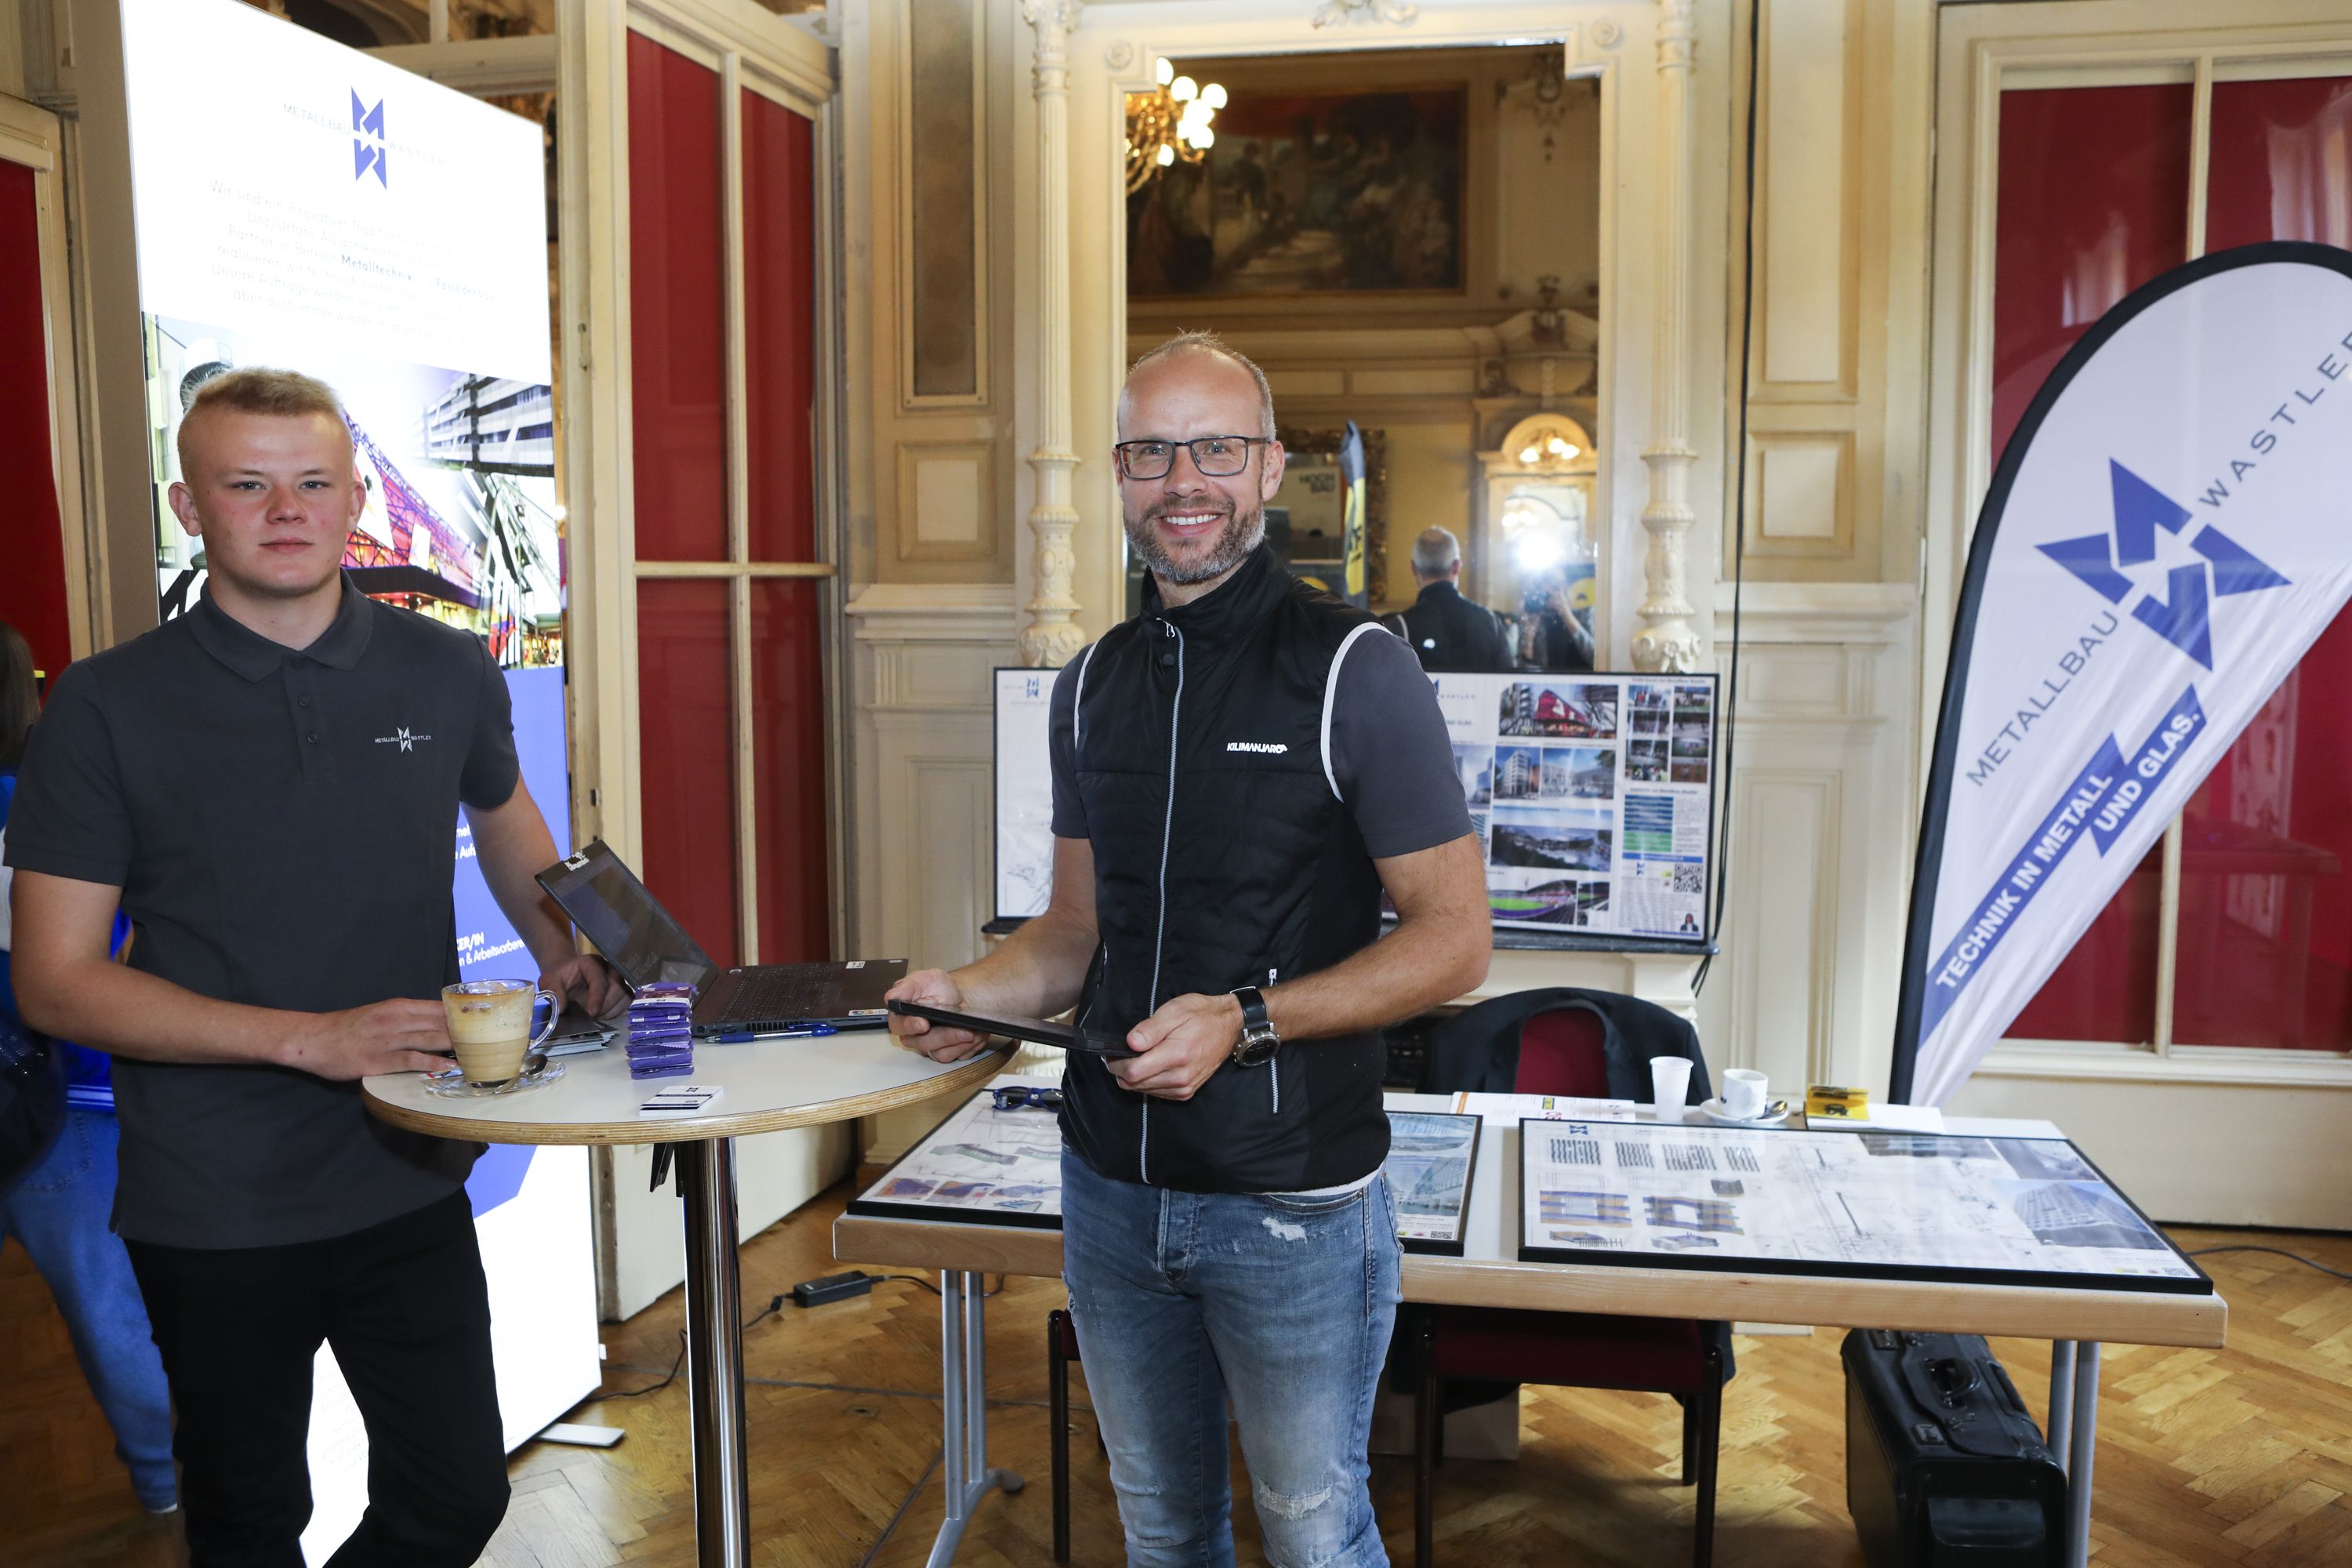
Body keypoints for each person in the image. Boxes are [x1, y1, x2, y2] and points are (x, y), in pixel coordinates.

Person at [888, 332, 1490, 1568]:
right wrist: (968, 992)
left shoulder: (1356, 667)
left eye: (1215, 449)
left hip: (1292, 1204)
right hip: (1110, 1194)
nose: (1183, 482)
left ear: (1269, 468)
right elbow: (1072, 935)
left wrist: (1247, 1019)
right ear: (1118, 474)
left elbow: (1454, 943)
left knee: (1314, 1535)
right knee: (1163, 1531)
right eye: (1152, 453)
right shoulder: (1090, 684)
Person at [5, 369, 619, 1567]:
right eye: (248, 485)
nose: (287, 511)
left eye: (314, 483)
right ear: (190, 506)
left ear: (355, 500)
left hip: (408, 1158)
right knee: (249, 1526)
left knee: (456, 1497)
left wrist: (563, 947)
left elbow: (505, 815)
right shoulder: (106, 705)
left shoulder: (444, 669)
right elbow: (56, 981)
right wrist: (308, 1038)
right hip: (213, 1194)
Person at [0, 621, 179, 1518]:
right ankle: (167, 1481)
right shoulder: (41, 803)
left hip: (47, 1094)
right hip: (67, 1096)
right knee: (113, 1310)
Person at [1384, 526, 1516, 673]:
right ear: (1456, 566)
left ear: (1413, 568)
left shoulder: (1399, 628)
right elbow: (1508, 680)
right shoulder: (1491, 623)